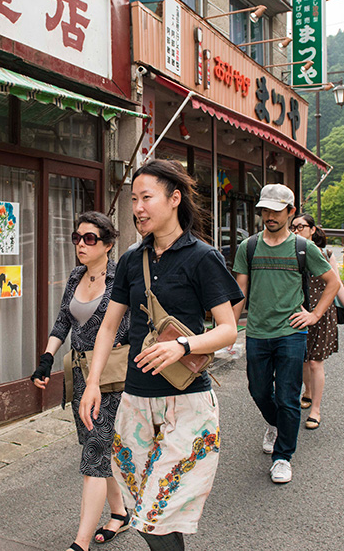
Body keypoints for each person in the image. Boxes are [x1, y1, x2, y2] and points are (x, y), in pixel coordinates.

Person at [80, 159, 243, 551]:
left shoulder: (202, 256)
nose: (137, 207)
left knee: (157, 514)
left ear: (174, 199)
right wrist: (92, 384)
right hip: (135, 402)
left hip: (187, 404)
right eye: (134, 198)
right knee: (144, 513)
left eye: (146, 197)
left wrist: (181, 345)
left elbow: (227, 329)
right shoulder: (133, 259)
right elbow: (107, 326)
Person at [30, 211, 131, 551]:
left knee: (95, 453)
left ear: (108, 244)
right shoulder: (76, 276)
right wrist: (46, 359)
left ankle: (80, 543)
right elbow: (63, 320)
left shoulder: (122, 278)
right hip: (79, 375)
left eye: (90, 239)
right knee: (99, 450)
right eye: (77, 238)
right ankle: (119, 513)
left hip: (111, 379)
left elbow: (129, 324)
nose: (82, 245)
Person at [231, 184, 340, 484]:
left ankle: (283, 457)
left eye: (276, 211)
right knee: (259, 390)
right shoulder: (249, 247)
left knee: (290, 396)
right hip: (257, 331)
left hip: (292, 332)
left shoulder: (303, 248)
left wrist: (314, 314)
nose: (269, 216)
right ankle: (275, 423)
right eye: (265, 211)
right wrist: (228, 328)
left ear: (291, 212)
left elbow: (332, 282)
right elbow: (240, 290)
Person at [290, 213, 344, 429]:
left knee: (316, 361)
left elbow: (335, 284)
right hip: (299, 312)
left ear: (313, 229)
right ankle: (307, 391)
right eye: (294, 227)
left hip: (322, 312)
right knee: (303, 360)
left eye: (301, 227)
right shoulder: (291, 252)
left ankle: (315, 409)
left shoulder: (326, 253)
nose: (296, 231)